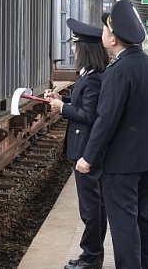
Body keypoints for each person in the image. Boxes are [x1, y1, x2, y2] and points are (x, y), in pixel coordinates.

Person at [76, 0, 148, 269]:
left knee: (124, 225)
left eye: (104, 31)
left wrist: (88, 158)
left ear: (113, 39)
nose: (102, 35)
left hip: (121, 163)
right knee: (143, 220)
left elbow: (106, 120)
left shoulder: (118, 71)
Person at [45, 18, 109, 269]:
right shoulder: (92, 75)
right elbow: (85, 103)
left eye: (76, 46)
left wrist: (63, 108)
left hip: (86, 150)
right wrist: (64, 98)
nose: (73, 50)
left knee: (91, 207)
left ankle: (91, 257)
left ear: (86, 50)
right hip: (84, 147)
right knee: (94, 205)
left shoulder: (93, 78)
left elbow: (90, 116)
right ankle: (90, 254)